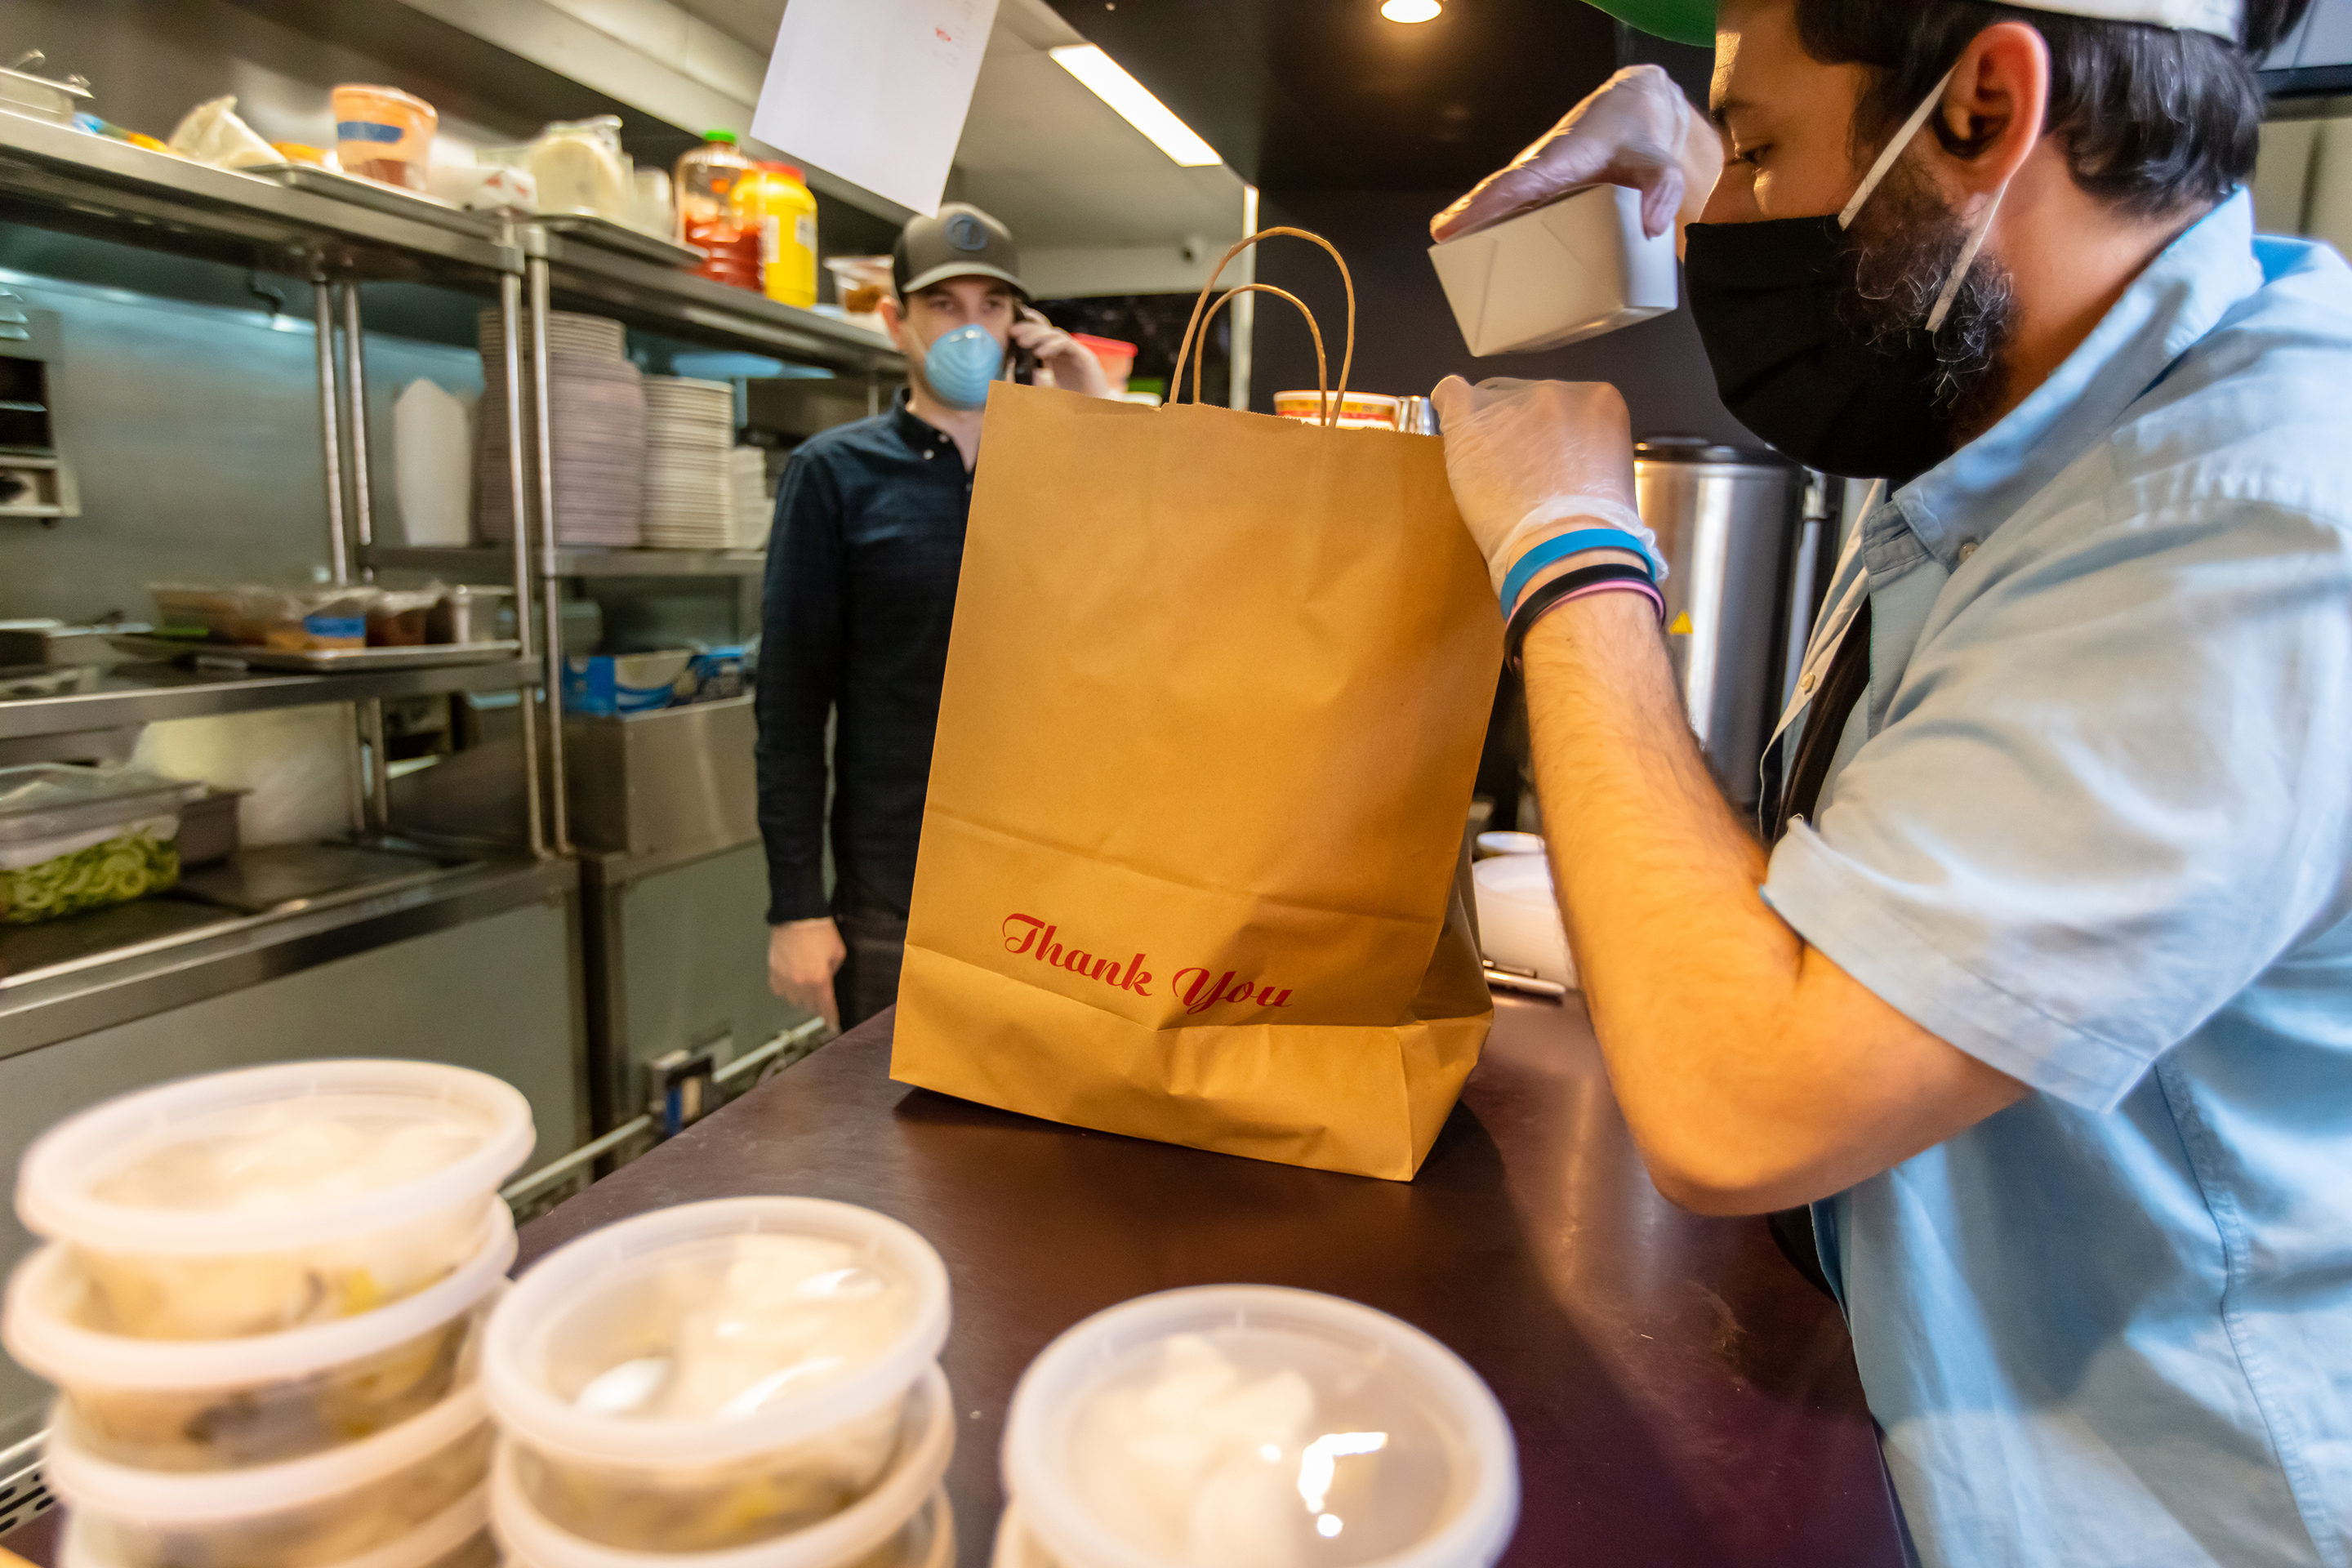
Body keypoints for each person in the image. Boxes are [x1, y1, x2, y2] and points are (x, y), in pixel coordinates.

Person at [1431, 2, 2352, 1564]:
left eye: (1764, 144)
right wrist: (1719, 147)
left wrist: (1570, 552)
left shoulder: (2252, 522)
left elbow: (1742, 1098)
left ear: (1985, 108)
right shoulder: (2025, 406)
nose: (1727, 204)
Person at [757, 203, 1112, 1031]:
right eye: (945, 305)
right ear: (896, 322)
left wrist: (1098, 419)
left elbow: (1146, 615)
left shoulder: (1066, 469)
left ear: (1020, 327)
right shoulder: (834, 475)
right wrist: (796, 908)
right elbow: (790, 705)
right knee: (893, 1151)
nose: (971, 327)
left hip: (1055, 890)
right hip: (895, 896)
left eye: (993, 306)